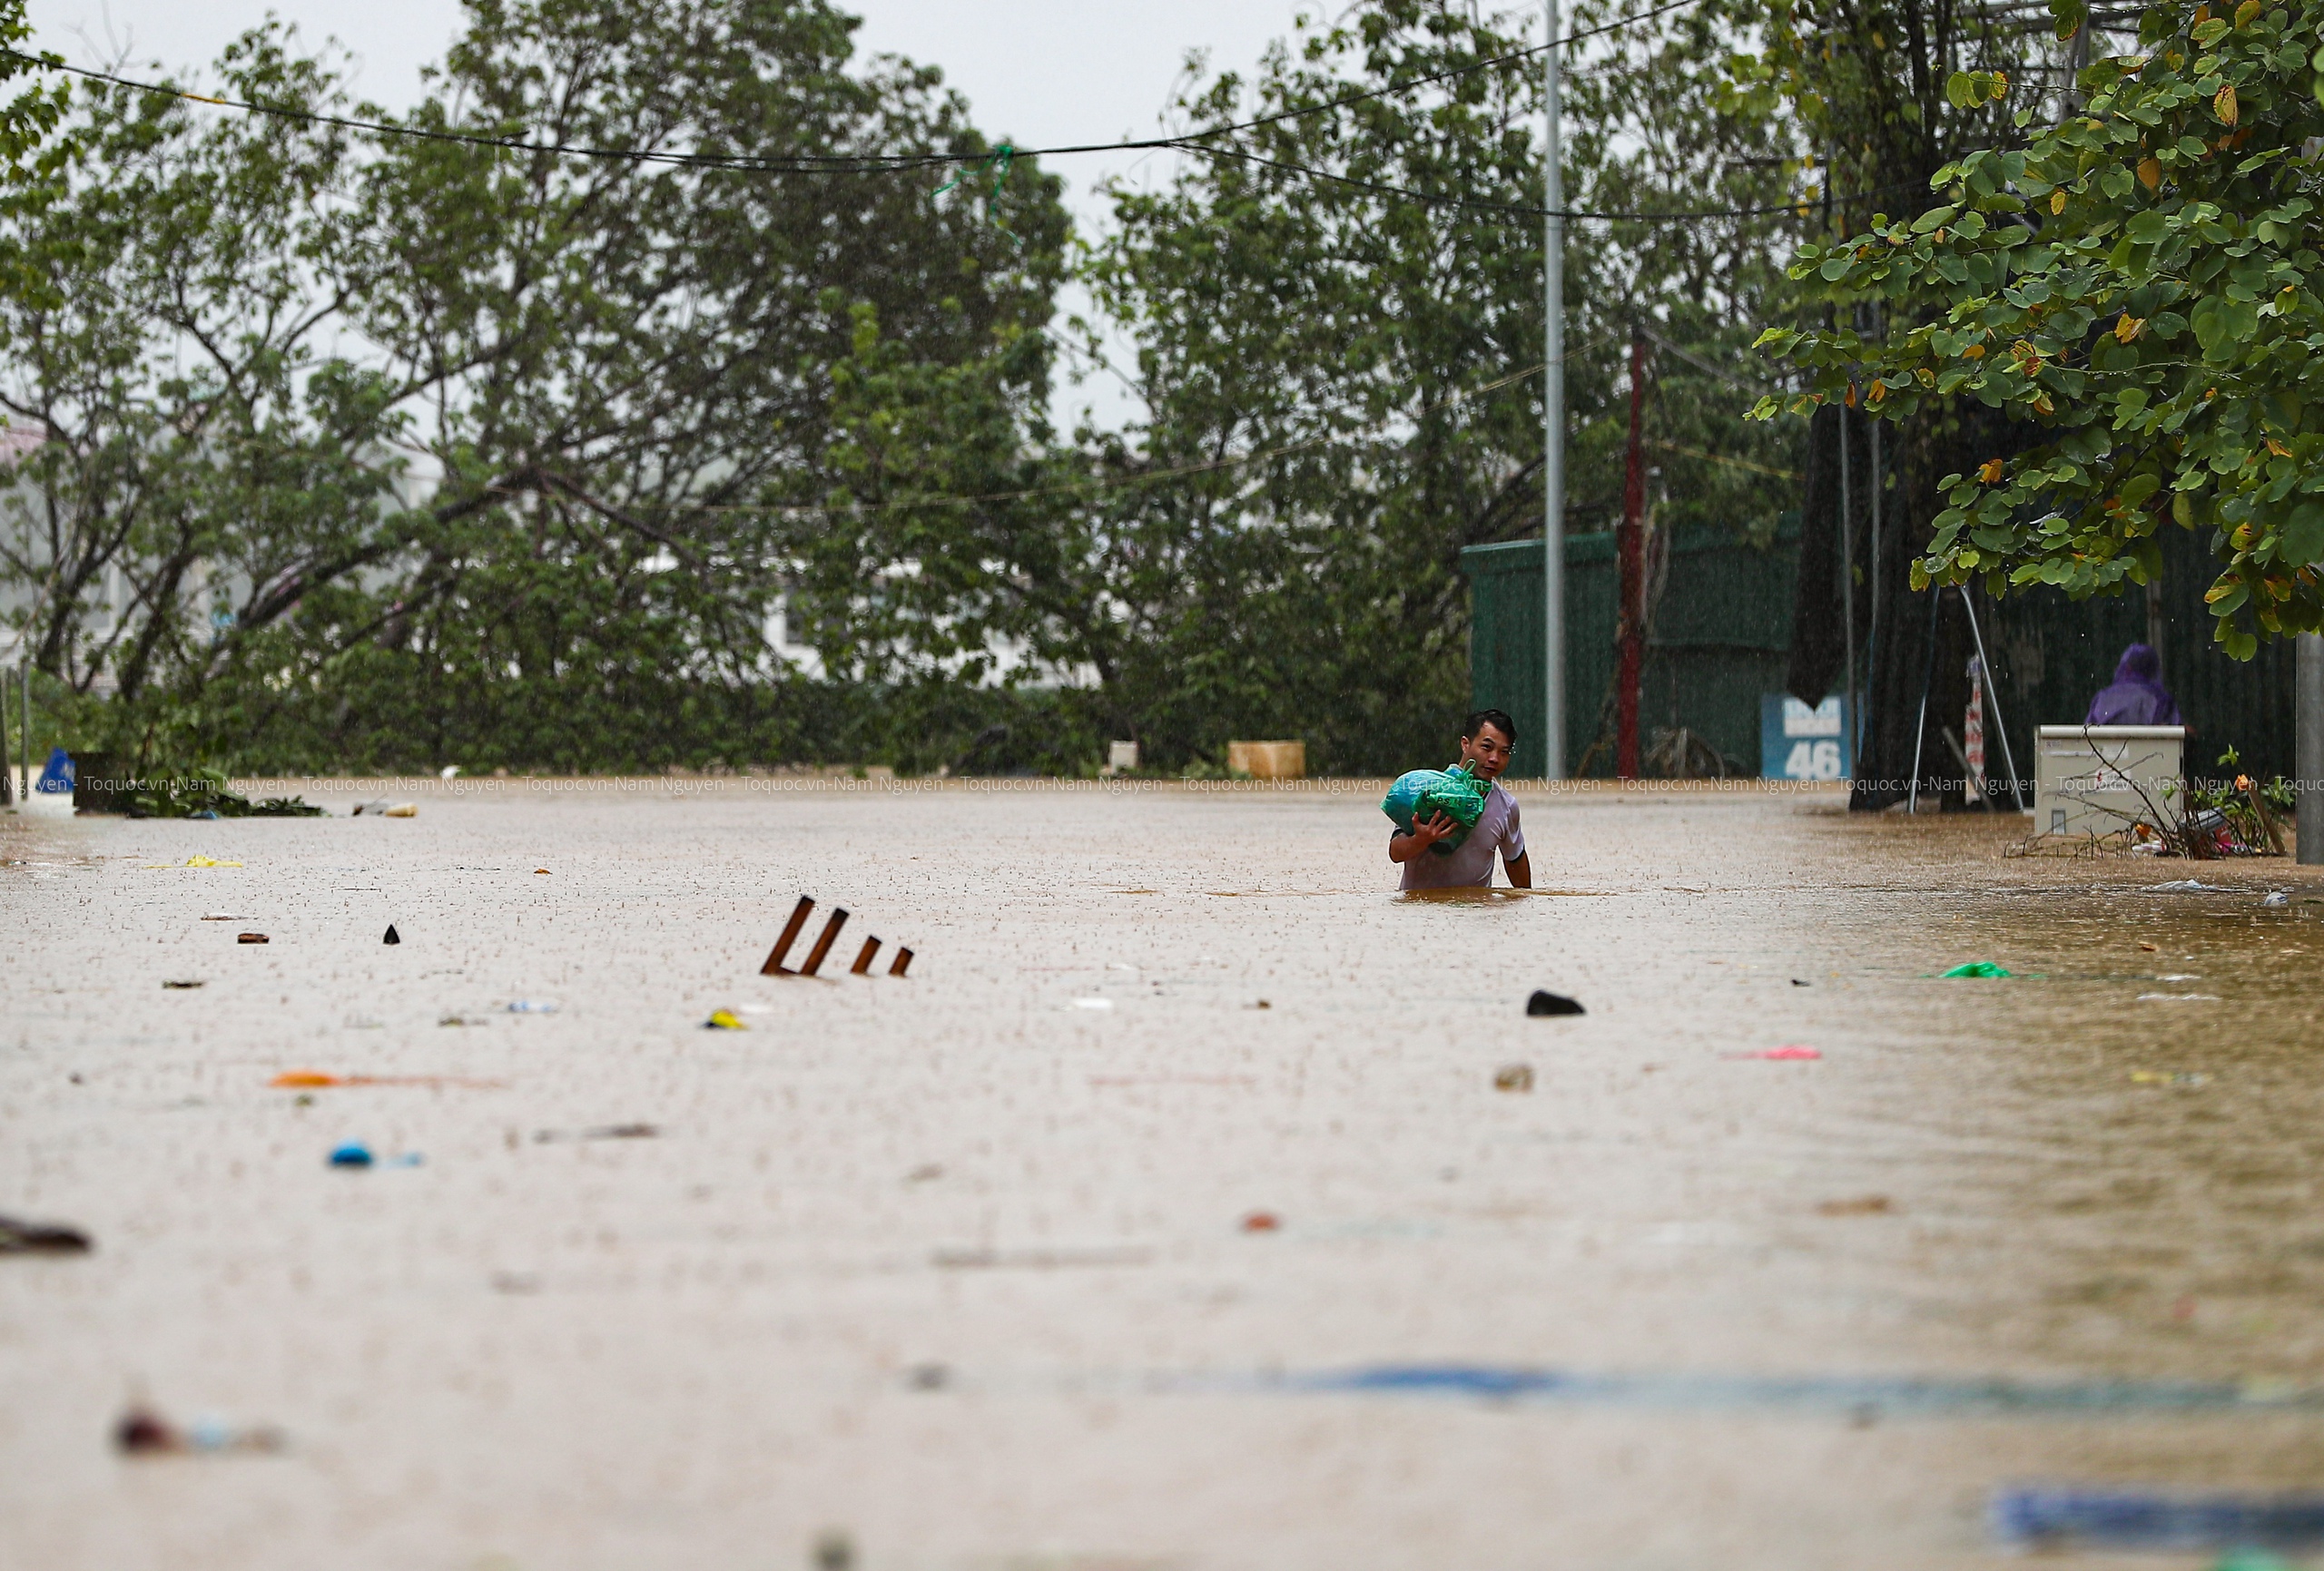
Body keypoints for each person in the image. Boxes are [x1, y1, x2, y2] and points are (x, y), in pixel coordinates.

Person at [1389, 709, 1532, 890]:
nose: (1495, 758)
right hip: (1422, 914)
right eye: (1487, 747)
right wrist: (1421, 839)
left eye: (1504, 752)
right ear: (1465, 744)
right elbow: (1395, 853)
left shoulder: (1506, 806)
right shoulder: (1425, 791)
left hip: (1477, 914)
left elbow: (1516, 864)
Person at [2086, 643, 2182, 726]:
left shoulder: (2102, 697)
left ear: (2126, 667)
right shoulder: (2161, 700)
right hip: (2146, 747)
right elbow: (2174, 736)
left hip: (2107, 747)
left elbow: (2087, 735)